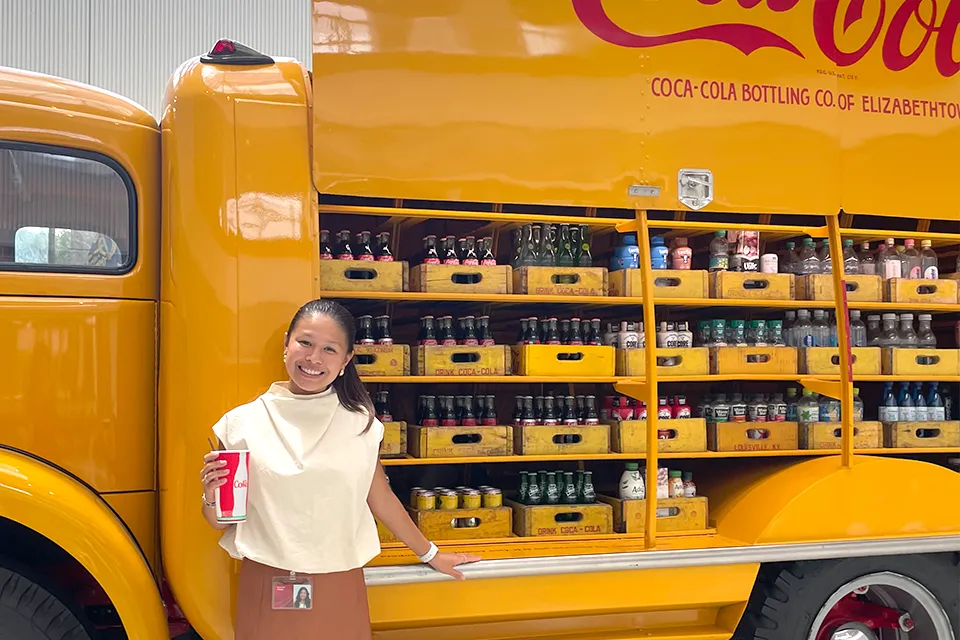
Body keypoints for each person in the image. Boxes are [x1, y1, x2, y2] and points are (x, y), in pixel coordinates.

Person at [199, 299, 480, 638]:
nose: (313, 359)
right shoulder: (242, 424)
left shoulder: (359, 423)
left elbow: (380, 499)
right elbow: (220, 521)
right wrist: (212, 496)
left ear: (346, 360)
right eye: (305, 343)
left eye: (329, 349)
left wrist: (431, 554)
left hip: (340, 578)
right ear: (286, 344)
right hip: (269, 579)